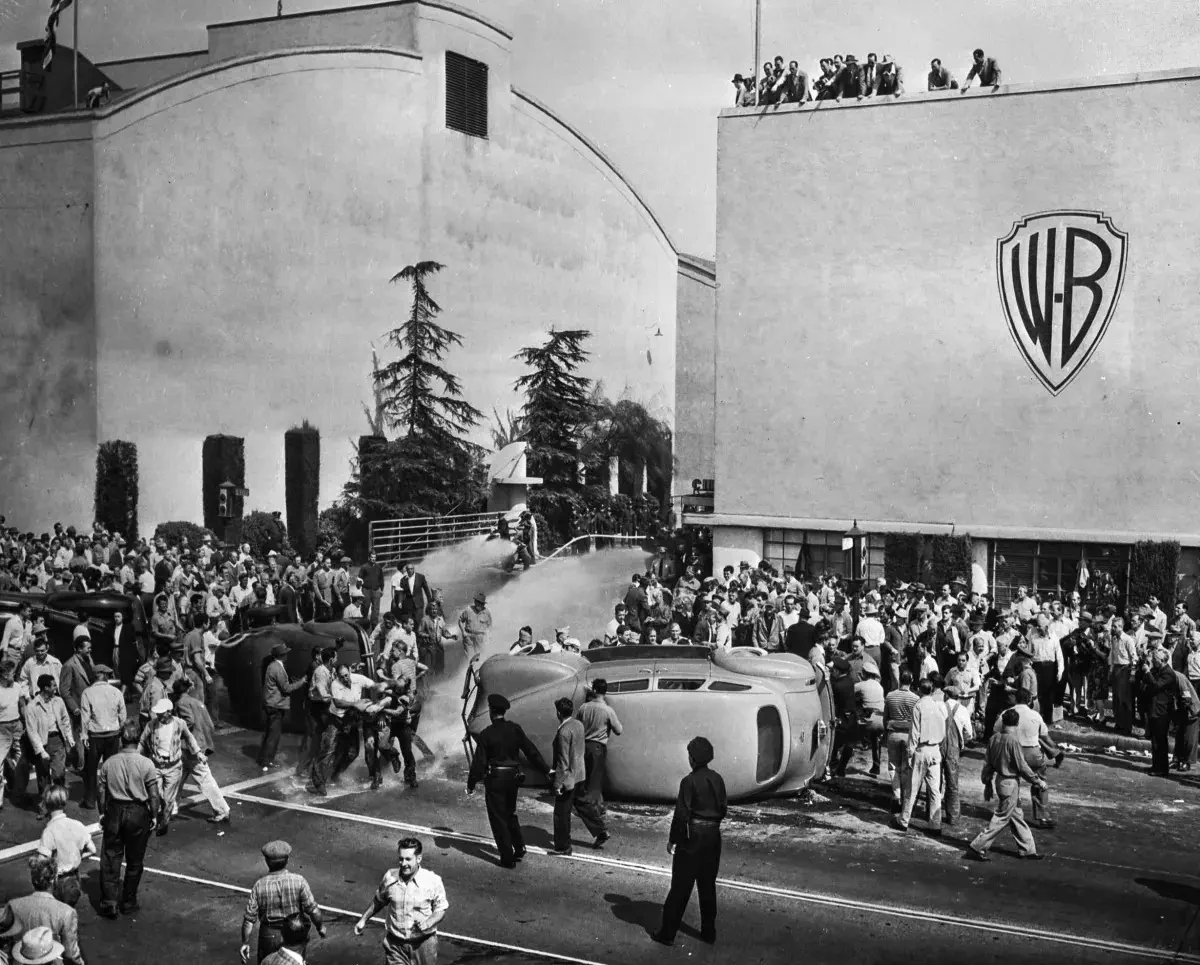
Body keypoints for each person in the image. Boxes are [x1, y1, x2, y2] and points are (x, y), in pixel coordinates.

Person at [652, 736, 726, 947]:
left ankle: (667, 934)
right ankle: (708, 932)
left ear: (692, 758)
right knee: (707, 885)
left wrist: (673, 840)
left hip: (692, 836)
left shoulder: (689, 781)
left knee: (680, 887)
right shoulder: (718, 779)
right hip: (713, 836)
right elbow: (723, 809)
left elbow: (682, 814)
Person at [465, 693, 549, 868]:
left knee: (498, 818)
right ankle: (519, 847)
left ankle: (507, 858)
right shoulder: (515, 729)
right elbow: (531, 751)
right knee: (510, 813)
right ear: (504, 711)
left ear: (490, 711)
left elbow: (479, 763)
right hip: (513, 778)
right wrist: (546, 770)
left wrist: (471, 784)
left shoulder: (486, 734)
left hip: (495, 779)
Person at [97, 718, 161, 918]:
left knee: (110, 859)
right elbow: (154, 795)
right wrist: (153, 814)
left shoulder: (109, 763)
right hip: (137, 813)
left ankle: (109, 902)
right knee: (135, 861)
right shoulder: (146, 764)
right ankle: (129, 901)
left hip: (114, 811)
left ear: (121, 739)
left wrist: (102, 812)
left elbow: (101, 791)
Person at [967, 708, 1048, 861]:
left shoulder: (994, 738)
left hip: (999, 780)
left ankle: (1028, 849)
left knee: (1016, 815)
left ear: (1003, 722)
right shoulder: (1013, 740)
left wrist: (987, 782)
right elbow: (1021, 765)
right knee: (1002, 817)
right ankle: (977, 846)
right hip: (1010, 782)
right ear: (1016, 724)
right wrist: (1037, 781)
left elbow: (988, 763)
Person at [354, 837, 448, 965]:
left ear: (418, 859)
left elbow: (441, 909)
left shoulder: (432, 881)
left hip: (423, 945)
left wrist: (428, 922)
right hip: (395, 946)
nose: (403, 864)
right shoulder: (390, 878)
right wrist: (363, 919)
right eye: (401, 859)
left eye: (408, 859)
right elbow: (379, 900)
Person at [241, 841, 327, 965]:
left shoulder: (259, 885)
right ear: (287, 860)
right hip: (294, 934)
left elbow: (249, 920)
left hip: (269, 935)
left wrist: (245, 942)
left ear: (266, 861)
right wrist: (320, 927)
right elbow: (313, 910)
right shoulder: (299, 881)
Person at [548, 697, 606, 855]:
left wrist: (557, 784)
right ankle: (601, 831)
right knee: (582, 804)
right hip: (581, 774)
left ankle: (563, 847)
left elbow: (563, 762)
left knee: (561, 813)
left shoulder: (563, 732)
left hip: (568, 779)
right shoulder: (578, 725)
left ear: (558, 713)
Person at [170, 677, 231, 824]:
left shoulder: (181, 703)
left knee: (200, 779)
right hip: (199, 745)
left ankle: (222, 810)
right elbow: (210, 725)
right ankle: (169, 808)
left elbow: (188, 721)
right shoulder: (197, 702)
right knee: (177, 778)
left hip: (188, 748)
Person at [6, 854, 84, 965]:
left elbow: (6, 945)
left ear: (33, 880)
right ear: (53, 880)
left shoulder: (13, 905)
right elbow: (71, 954)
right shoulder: (66, 912)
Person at [896, 679, 945, 833]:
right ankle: (935, 824)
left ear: (918, 690)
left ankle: (904, 820)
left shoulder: (919, 706)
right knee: (934, 790)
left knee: (912, 788)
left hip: (921, 749)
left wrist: (910, 752)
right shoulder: (938, 707)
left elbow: (914, 732)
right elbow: (943, 730)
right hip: (935, 749)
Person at [575, 679, 621, 837]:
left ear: (594, 690)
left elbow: (577, 725)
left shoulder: (583, 708)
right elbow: (619, 730)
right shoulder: (608, 710)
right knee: (595, 781)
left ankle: (595, 807)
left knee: (585, 779)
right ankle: (595, 814)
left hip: (583, 746)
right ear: (605, 691)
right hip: (598, 748)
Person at [37, 786, 95, 908]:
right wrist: (77, 857)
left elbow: (41, 862)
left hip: (58, 880)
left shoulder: (49, 831)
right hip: (75, 878)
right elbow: (92, 849)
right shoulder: (77, 824)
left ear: (47, 805)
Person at [25, 675, 75, 813]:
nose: (56, 688)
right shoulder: (32, 706)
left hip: (57, 740)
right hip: (42, 743)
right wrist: (41, 751)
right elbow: (32, 731)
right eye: (53, 685)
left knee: (58, 773)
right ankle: (44, 805)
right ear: (46, 688)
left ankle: (58, 801)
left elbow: (65, 720)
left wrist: (69, 738)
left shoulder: (58, 701)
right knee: (43, 777)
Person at [78, 664, 125, 811]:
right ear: (105, 675)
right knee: (111, 767)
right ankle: (112, 797)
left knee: (91, 769)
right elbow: (123, 716)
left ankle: (90, 800)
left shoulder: (87, 693)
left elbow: (85, 717)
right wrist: (119, 729)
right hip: (113, 734)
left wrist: (84, 735)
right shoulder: (116, 692)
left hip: (95, 735)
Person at [259, 644, 305, 772]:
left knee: (269, 733)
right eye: (285, 653)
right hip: (276, 705)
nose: (287, 655)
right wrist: (301, 682)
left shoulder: (272, 666)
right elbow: (286, 688)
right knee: (274, 735)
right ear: (282, 655)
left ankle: (263, 757)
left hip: (270, 703)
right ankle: (267, 761)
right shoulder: (278, 668)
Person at [458, 593, 493, 663]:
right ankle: (469, 672)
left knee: (480, 657)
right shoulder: (468, 610)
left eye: (482, 604)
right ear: (475, 602)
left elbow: (489, 626)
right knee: (469, 657)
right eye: (479, 603)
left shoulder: (486, 612)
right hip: (469, 637)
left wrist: (489, 636)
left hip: (480, 637)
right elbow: (460, 621)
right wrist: (463, 632)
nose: (481, 605)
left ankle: (478, 671)